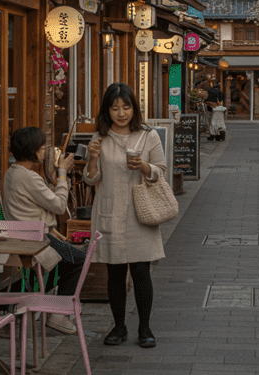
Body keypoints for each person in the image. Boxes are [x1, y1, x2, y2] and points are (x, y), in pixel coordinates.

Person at [83, 83, 166, 348]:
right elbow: (91, 178)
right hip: (109, 211)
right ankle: (118, 327)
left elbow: (161, 171)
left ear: (134, 108)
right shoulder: (100, 137)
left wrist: (143, 166)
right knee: (115, 273)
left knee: (141, 271)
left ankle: (145, 327)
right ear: (107, 110)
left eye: (126, 107)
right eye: (115, 107)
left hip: (139, 213)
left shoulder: (148, 136)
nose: (121, 113)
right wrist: (92, 158)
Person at [2, 126, 85, 335]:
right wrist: (63, 174)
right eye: (41, 148)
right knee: (80, 260)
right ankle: (57, 313)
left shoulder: (11, 173)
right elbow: (58, 205)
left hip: (26, 235)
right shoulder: (29, 177)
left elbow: (30, 208)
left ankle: (15, 302)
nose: (44, 152)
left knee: (65, 263)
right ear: (32, 151)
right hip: (36, 239)